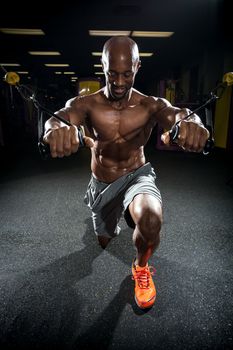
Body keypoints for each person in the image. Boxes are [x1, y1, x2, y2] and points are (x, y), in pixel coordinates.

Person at [43, 36, 209, 309]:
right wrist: (54, 130)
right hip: (102, 181)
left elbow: (179, 114)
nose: (119, 82)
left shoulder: (150, 105)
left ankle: (141, 266)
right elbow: (60, 117)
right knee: (104, 239)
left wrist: (193, 123)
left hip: (137, 174)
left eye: (126, 74)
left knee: (152, 221)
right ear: (103, 66)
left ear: (137, 66)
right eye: (112, 73)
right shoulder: (87, 104)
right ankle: (111, 219)